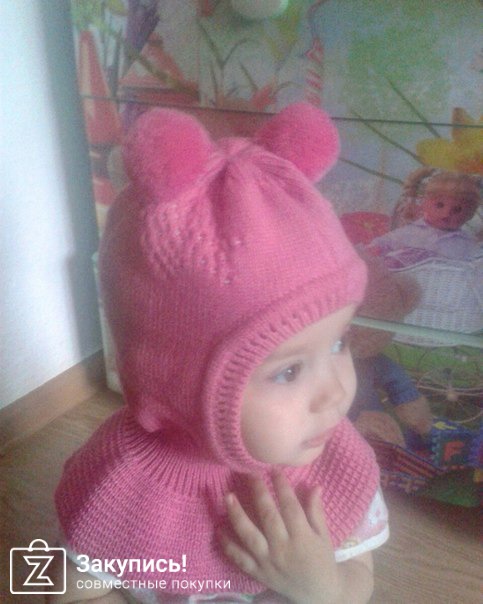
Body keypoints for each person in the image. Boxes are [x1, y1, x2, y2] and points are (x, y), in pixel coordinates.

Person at [51, 103, 388, 604]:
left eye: (339, 342)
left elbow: (359, 575)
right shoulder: (119, 483)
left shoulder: (333, 465)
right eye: (289, 371)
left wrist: (323, 589)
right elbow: (68, 589)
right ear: (176, 381)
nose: (336, 393)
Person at [370, 168, 482, 266]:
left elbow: (477, 265)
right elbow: (384, 244)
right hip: (407, 281)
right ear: (425, 203)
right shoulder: (411, 231)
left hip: (444, 283)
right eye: (439, 205)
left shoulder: (466, 243)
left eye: (457, 210)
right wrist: (376, 250)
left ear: (469, 214)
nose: (446, 213)